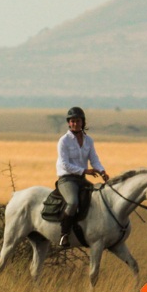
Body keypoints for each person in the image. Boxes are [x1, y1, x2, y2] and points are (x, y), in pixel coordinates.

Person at [56, 106, 109, 247]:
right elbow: (65, 164)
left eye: (78, 121)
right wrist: (86, 171)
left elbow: (94, 159)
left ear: (83, 122)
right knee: (73, 202)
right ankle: (64, 234)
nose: (75, 123)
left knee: (99, 199)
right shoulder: (64, 141)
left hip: (81, 180)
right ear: (69, 123)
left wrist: (102, 171)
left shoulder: (89, 140)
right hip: (67, 179)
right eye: (72, 121)